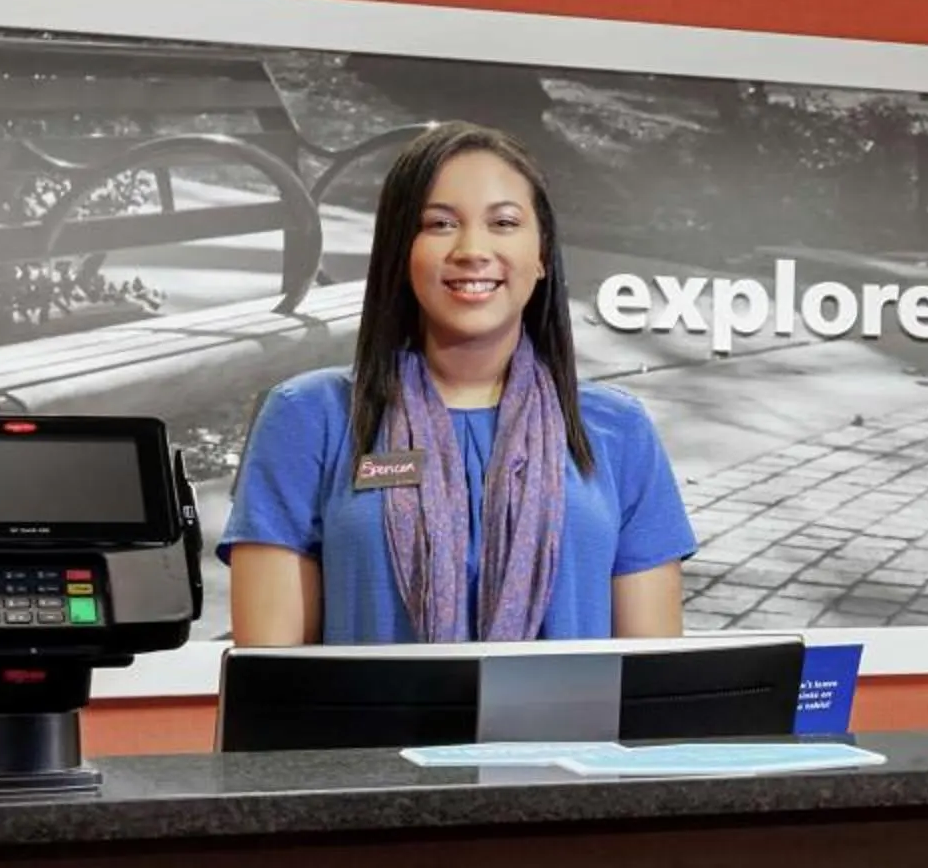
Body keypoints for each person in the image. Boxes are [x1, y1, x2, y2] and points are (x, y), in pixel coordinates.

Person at [222, 121, 694, 644]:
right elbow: (272, 671)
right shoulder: (309, 416)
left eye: (504, 223)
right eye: (440, 224)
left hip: (571, 705)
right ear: (401, 252)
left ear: (541, 255)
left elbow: (651, 673)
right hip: (370, 705)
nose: (472, 249)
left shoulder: (618, 429)